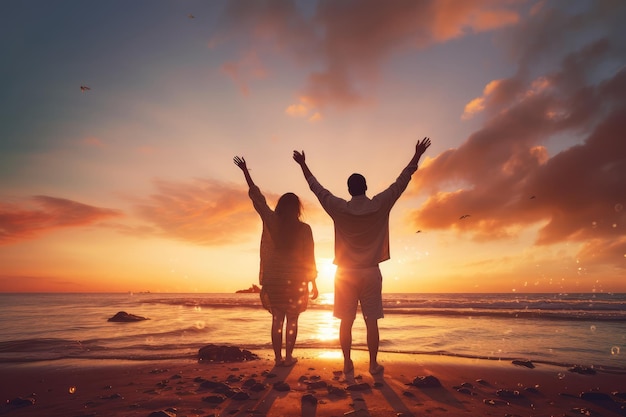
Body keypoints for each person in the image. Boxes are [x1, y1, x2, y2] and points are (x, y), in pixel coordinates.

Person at [292, 137, 431, 375]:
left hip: (345, 273)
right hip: (370, 271)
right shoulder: (379, 204)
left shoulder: (339, 208)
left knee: (346, 321)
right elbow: (401, 182)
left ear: (349, 190)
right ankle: (373, 364)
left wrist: (303, 165)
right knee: (371, 321)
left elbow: (317, 189)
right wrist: (417, 155)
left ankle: (347, 362)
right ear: (365, 187)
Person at [234, 156, 319, 367]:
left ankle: (279, 358)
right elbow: (309, 258)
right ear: (297, 208)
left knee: (277, 320)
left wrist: (246, 171)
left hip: (274, 282)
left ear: (280, 206)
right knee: (293, 321)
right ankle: (289, 357)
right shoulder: (304, 229)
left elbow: (258, 199)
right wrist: (313, 284)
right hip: (297, 283)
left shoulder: (272, 221)